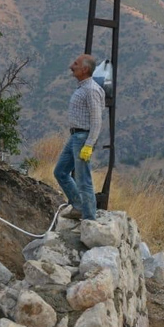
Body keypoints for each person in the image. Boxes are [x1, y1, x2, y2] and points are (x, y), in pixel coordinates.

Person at [53, 54, 104, 220]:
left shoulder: (91, 90)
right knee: (60, 172)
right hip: (74, 137)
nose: (71, 66)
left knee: (84, 180)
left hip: (82, 138)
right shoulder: (82, 87)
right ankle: (79, 206)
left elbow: (97, 121)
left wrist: (89, 144)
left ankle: (89, 218)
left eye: (75, 64)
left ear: (85, 69)